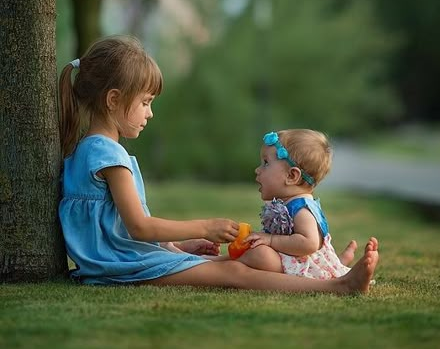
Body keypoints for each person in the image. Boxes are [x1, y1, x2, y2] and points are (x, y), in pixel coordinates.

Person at [58, 35, 378, 294]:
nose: (149, 113)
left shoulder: (89, 149)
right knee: (235, 271)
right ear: (113, 100)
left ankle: (331, 277)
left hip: (115, 259)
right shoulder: (108, 155)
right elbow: (139, 227)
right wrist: (205, 226)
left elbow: (114, 227)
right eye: (145, 103)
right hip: (118, 266)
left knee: (233, 267)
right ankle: (335, 286)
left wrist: (179, 246)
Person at [236, 130, 361, 280]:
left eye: (266, 163)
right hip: (295, 259)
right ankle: (337, 264)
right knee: (257, 251)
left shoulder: (302, 209)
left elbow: (309, 243)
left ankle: (334, 267)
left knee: (260, 255)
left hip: (302, 262)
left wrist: (270, 240)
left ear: (291, 176)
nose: (257, 170)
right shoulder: (288, 203)